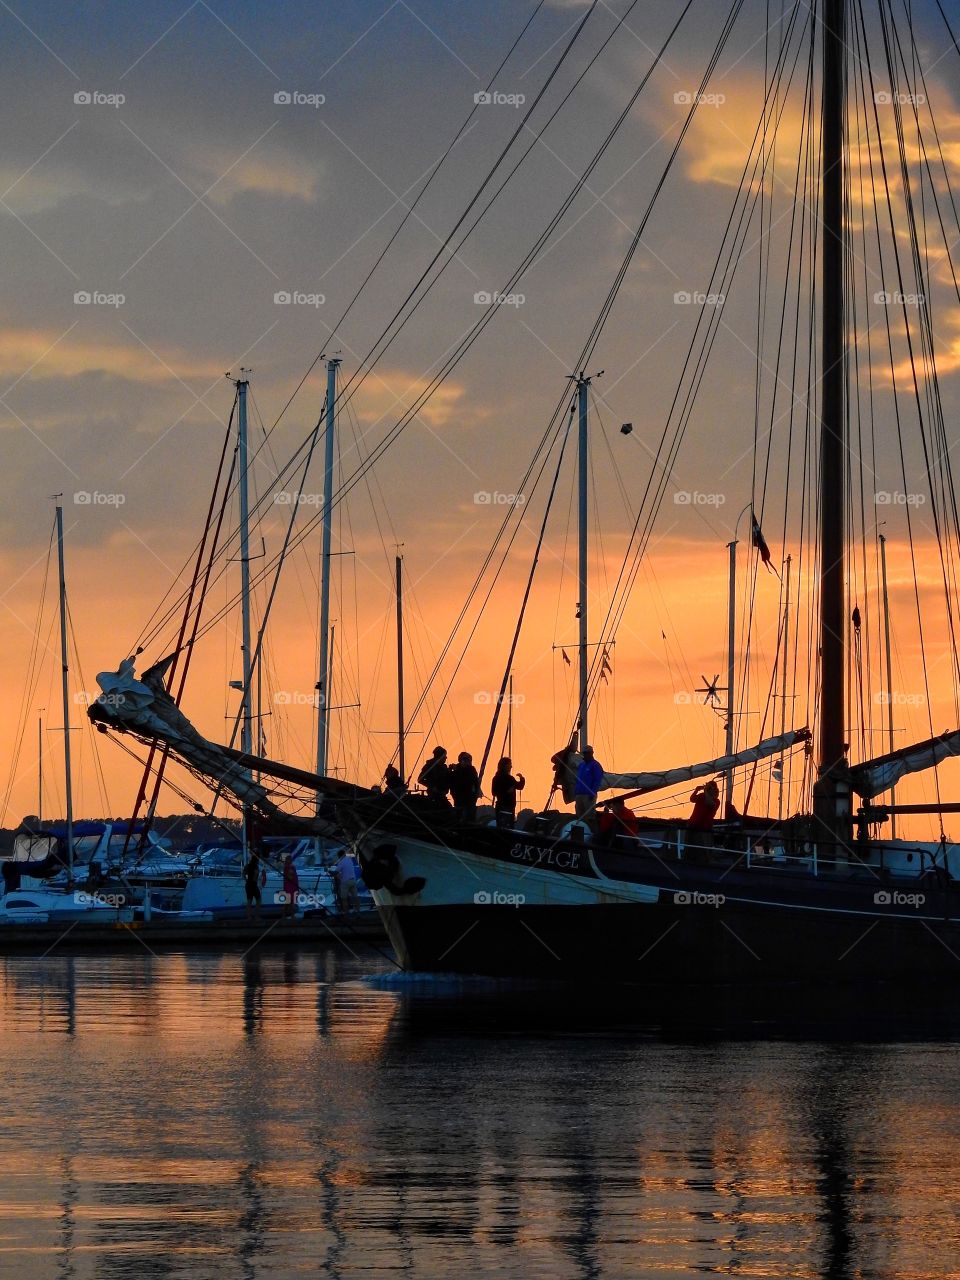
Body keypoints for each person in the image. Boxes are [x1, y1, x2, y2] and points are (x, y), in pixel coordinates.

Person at [491, 757, 525, 828]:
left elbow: (519, 786)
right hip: (505, 807)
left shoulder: (498, 778)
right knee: (507, 827)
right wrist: (507, 792)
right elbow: (494, 792)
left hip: (505, 807)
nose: (511, 766)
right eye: (510, 764)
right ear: (505, 766)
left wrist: (521, 778)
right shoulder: (506, 779)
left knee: (503, 827)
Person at [688, 779, 721, 851]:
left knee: (703, 849)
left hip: (704, 828)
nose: (708, 790)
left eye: (710, 788)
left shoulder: (716, 801)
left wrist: (706, 791)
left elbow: (709, 803)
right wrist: (696, 790)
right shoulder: (701, 796)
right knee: (690, 848)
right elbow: (692, 799)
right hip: (693, 825)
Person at [574, 745, 604, 825]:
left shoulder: (595, 765)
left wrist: (592, 792)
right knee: (579, 816)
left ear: (592, 753)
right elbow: (578, 779)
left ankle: (592, 833)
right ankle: (580, 833)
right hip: (579, 794)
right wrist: (576, 792)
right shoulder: (581, 765)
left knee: (589, 816)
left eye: (587, 753)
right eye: (584, 753)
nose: (585, 755)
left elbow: (597, 780)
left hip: (588, 795)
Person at [448, 751, 481, 823]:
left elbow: (475, 782)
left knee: (470, 817)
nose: (467, 761)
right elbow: (452, 782)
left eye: (469, 760)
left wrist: (476, 793)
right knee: (459, 815)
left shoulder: (471, 770)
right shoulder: (456, 771)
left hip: (469, 798)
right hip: (458, 798)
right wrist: (450, 770)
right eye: (465, 759)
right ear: (460, 760)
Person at [335, 849, 360, 914]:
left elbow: (336, 872)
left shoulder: (341, 862)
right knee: (355, 896)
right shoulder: (350, 859)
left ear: (338, 856)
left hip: (345, 882)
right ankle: (358, 910)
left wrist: (329, 871)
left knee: (344, 898)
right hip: (353, 880)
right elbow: (352, 855)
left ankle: (346, 912)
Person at [244, 849, 265, 922]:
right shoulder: (256, 867)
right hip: (253, 884)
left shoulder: (247, 866)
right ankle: (256, 916)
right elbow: (255, 876)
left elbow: (244, 874)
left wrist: (247, 880)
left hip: (248, 884)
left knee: (249, 901)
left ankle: (249, 917)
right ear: (256, 860)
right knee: (258, 900)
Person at [281, 853, 299, 918]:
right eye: (290, 859)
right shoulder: (289, 867)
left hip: (291, 886)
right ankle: (292, 916)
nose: (291, 860)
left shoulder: (287, 867)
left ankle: (287, 915)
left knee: (288, 902)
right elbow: (290, 877)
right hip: (290, 886)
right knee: (290, 902)